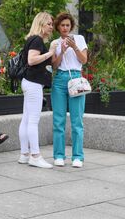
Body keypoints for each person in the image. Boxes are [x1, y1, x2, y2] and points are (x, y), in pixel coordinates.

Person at [18, 12, 57, 168]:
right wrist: (51, 52)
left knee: (27, 119)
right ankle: (35, 156)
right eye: (49, 24)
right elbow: (32, 60)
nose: (51, 27)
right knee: (33, 120)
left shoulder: (32, 39)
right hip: (33, 83)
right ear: (41, 24)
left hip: (29, 82)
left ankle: (24, 154)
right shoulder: (37, 40)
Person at [50, 12, 88, 168]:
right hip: (59, 80)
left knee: (77, 120)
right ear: (58, 27)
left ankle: (77, 156)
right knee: (58, 120)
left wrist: (74, 47)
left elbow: (84, 60)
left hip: (76, 79)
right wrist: (63, 51)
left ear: (71, 26)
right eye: (62, 25)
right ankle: (59, 155)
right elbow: (54, 66)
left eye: (67, 25)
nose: (65, 28)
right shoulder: (55, 43)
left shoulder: (79, 39)